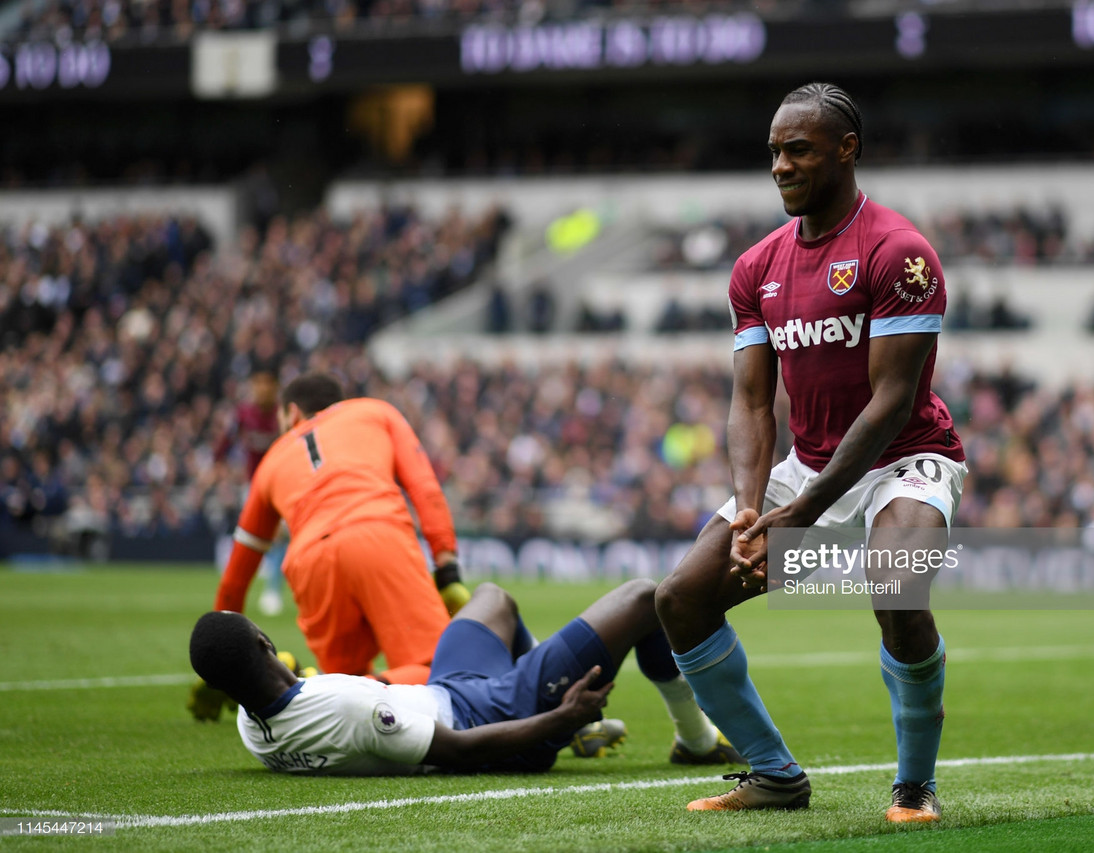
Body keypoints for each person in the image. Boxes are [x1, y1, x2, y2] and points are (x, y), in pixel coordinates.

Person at [654, 82, 966, 822]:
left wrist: (803, 511)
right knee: (682, 599)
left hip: (905, 459)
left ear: (846, 150)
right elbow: (752, 402)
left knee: (896, 585)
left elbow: (891, 404)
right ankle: (774, 774)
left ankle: (915, 786)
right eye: (773, 152)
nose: (780, 166)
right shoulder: (755, 269)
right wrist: (754, 509)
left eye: (797, 150)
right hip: (808, 471)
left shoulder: (901, 254)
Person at [189, 580, 745, 775]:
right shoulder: (345, 707)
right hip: (492, 717)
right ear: (266, 644)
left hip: (446, 690)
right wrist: (558, 716)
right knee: (646, 597)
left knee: (491, 599)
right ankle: (694, 741)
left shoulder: (251, 723)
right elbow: (455, 752)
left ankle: (539, 683)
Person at [212, 372, 471, 686]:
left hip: (310, 561)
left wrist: (219, 658)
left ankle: (312, 686)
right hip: (378, 534)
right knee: (440, 671)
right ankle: (320, 687)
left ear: (291, 412)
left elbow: (235, 580)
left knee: (346, 688)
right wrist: (447, 568)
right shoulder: (376, 411)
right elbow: (425, 488)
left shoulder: (271, 461)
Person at [219, 367, 288, 616]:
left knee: (279, 534)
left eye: (267, 384)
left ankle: (273, 588)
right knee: (255, 534)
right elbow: (226, 441)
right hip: (254, 484)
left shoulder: (283, 414)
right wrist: (219, 464)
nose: (262, 389)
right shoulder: (244, 414)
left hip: (281, 483)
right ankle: (242, 592)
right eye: (258, 384)